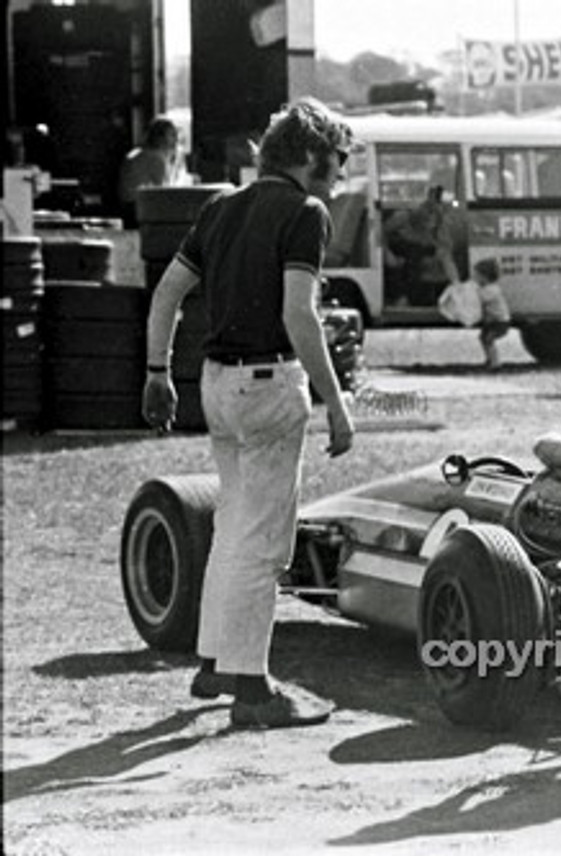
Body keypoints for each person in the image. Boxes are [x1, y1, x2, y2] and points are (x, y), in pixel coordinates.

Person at [142, 98, 356, 730]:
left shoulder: (219, 208)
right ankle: (253, 688)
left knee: (234, 526)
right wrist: (338, 405)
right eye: (338, 161)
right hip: (270, 381)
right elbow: (299, 315)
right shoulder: (306, 212)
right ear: (312, 155)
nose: (340, 176)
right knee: (263, 542)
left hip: (214, 384)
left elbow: (168, 294)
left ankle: (216, 660)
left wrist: (157, 371)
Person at [383, 185, 460, 305]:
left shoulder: (439, 228)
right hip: (396, 250)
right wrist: (387, 253)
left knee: (420, 255)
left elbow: (446, 255)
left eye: (432, 219)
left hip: (417, 257)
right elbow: (379, 233)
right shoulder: (403, 217)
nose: (428, 223)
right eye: (426, 215)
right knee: (411, 255)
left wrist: (457, 284)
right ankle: (401, 298)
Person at [118, 116, 180, 227]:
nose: (176, 140)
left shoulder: (139, 152)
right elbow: (166, 192)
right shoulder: (155, 158)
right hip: (138, 209)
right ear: (159, 137)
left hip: (126, 208)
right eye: (172, 135)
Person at [475, 258, 511, 370]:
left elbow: (480, 299)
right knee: (483, 338)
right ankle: (489, 359)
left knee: (489, 339)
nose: (475, 278)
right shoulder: (487, 288)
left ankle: (495, 363)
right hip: (493, 321)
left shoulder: (491, 290)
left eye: (477, 275)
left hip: (499, 322)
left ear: (485, 277)